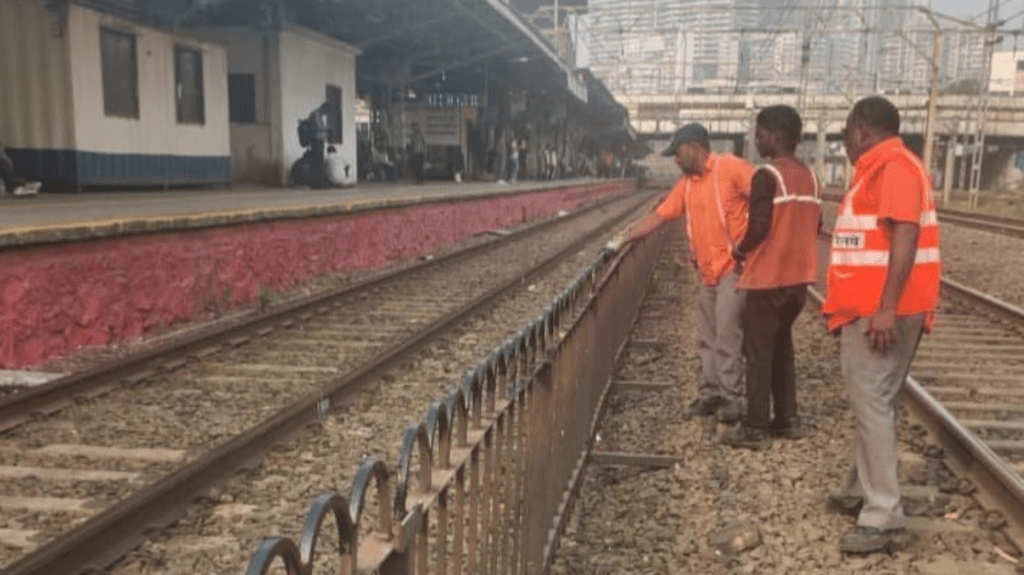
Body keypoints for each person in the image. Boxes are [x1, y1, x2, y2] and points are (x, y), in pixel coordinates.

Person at [822, 96, 940, 554]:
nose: (845, 142)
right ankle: (860, 490)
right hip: (872, 308)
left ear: (861, 129)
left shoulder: (893, 167)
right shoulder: (883, 167)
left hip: (884, 311)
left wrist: (886, 308)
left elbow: (905, 235)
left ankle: (884, 516)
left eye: (846, 132)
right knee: (873, 402)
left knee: (873, 403)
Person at [606, 123, 753, 422]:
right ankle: (710, 394)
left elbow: (765, 196)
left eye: (677, 152)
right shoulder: (687, 184)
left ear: (693, 148)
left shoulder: (730, 167)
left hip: (734, 269)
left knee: (726, 336)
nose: (675, 159)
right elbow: (658, 216)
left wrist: (754, 242)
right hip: (707, 274)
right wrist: (622, 239)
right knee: (707, 338)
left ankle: (732, 399)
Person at [721, 105, 822, 451]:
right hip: (798, 281)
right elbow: (816, 225)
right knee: (782, 348)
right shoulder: (809, 176)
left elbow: (759, 225)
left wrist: (739, 249)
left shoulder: (766, 175)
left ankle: (755, 427)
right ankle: (787, 419)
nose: (756, 141)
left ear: (776, 138)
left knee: (758, 352)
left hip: (768, 279)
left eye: (760, 135)